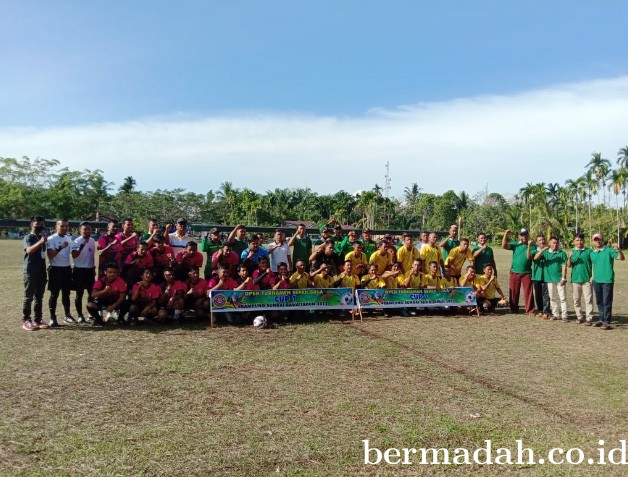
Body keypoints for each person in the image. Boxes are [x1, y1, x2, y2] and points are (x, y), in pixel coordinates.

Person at [590, 233, 625, 330]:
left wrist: (618, 250)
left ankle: (607, 321)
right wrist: (592, 276)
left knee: (607, 301)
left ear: (602, 240)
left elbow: (621, 258)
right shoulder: (592, 253)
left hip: (607, 280)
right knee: (599, 301)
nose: (597, 241)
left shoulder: (609, 250)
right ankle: (601, 319)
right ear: (593, 241)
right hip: (596, 280)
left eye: (599, 239)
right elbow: (594, 265)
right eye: (595, 239)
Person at [22, 216, 50, 331]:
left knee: (39, 296)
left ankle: (38, 319)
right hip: (30, 271)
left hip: (41, 271)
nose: (39, 227)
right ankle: (26, 320)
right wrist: (41, 242)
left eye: (41, 225)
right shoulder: (29, 237)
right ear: (31, 225)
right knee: (28, 297)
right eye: (36, 224)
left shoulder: (42, 237)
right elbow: (29, 250)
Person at [46, 219, 74, 326]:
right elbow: (50, 255)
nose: (64, 228)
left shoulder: (68, 238)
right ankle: (53, 317)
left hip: (66, 269)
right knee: (54, 294)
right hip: (55, 269)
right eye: (62, 226)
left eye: (66, 226)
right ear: (56, 226)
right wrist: (60, 247)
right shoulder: (51, 239)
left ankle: (67, 315)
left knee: (66, 294)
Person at [502, 228, 534, 315]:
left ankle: (530, 310)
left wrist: (529, 246)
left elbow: (529, 257)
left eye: (525, 234)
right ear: (519, 236)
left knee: (528, 292)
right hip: (514, 271)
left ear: (528, 235)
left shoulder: (532, 246)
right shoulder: (515, 245)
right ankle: (513, 309)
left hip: (526, 272)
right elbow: (504, 246)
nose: (524, 236)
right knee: (514, 291)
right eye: (522, 234)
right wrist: (506, 234)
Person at [71, 222, 96, 324]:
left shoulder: (92, 240)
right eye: (84, 229)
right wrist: (82, 245)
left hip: (90, 270)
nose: (87, 231)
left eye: (88, 229)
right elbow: (74, 255)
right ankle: (80, 315)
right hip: (79, 270)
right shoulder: (77, 241)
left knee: (92, 294)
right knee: (79, 294)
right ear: (80, 230)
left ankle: (91, 314)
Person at [567, 233, 594, 325]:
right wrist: (570, 257)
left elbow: (593, 264)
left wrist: (592, 276)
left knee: (588, 300)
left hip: (587, 279)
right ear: (574, 241)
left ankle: (589, 318)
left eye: (581, 240)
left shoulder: (589, 251)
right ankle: (579, 317)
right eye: (577, 240)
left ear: (584, 241)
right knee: (576, 300)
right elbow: (569, 265)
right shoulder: (572, 251)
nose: (579, 242)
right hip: (575, 280)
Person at [528, 234, 550, 319]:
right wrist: (542, 250)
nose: (542, 241)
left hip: (546, 277)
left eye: (543, 240)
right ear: (537, 243)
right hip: (536, 276)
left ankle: (546, 311)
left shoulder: (548, 251)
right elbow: (535, 258)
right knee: (538, 294)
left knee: (546, 295)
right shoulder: (534, 251)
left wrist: (545, 249)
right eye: (540, 240)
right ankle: (540, 310)